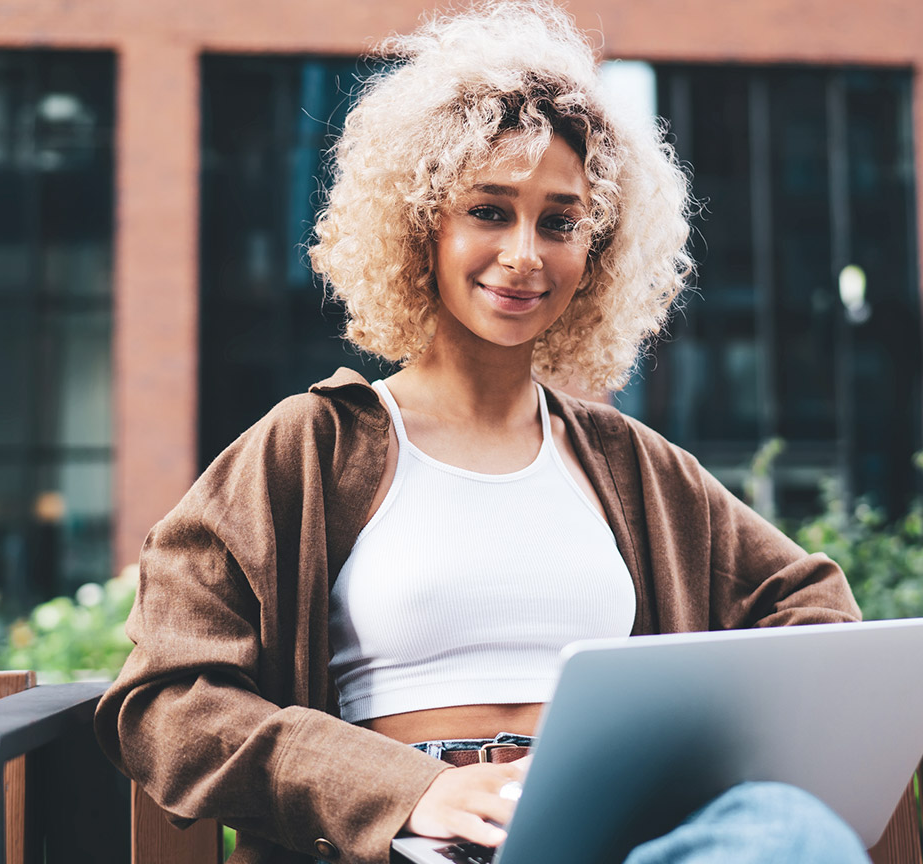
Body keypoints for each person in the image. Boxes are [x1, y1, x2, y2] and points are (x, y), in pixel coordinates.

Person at [93, 3, 866, 863]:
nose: (527, 253)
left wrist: (669, 762)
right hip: (411, 840)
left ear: (598, 249)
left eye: (561, 220)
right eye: (489, 211)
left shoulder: (628, 464)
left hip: (610, 830)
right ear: (423, 224)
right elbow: (167, 700)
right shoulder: (312, 448)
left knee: (790, 834)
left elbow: (812, 612)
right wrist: (409, 790)